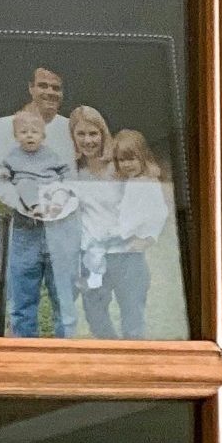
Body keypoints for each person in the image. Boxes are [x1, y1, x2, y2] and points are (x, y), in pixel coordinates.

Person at [0, 91, 80, 337]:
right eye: (23, 132)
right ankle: (24, 342)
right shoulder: (13, 156)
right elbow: (2, 170)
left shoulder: (51, 155)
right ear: (16, 136)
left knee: (62, 295)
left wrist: (62, 191)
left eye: (34, 132)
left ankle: (66, 346)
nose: (29, 136)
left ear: (43, 136)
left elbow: (66, 172)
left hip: (55, 224)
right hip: (26, 226)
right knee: (22, 290)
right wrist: (4, 173)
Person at [79, 129, 172, 338]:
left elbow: (158, 213)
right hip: (107, 253)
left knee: (132, 312)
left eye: (132, 159)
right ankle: (110, 345)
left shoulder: (147, 184)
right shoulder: (126, 182)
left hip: (130, 257)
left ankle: (133, 347)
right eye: (122, 160)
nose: (127, 165)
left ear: (143, 157)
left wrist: (148, 238)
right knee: (95, 309)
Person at [69, 105, 123, 311]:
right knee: (93, 313)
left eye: (93, 134)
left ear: (103, 134)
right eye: (81, 134)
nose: (87, 140)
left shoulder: (117, 168)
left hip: (116, 247)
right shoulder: (73, 170)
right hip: (85, 250)